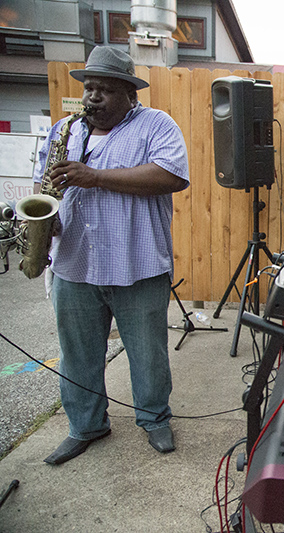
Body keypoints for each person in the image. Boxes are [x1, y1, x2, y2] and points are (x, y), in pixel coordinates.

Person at [33, 46, 190, 465]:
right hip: (74, 262)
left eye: (104, 89)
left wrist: (95, 176)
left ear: (129, 94)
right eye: (89, 89)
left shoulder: (157, 125)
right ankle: (85, 426)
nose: (92, 98)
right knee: (78, 355)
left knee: (148, 353)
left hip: (136, 264)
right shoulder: (65, 130)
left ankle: (155, 419)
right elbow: (43, 186)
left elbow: (171, 176)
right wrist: (43, 218)